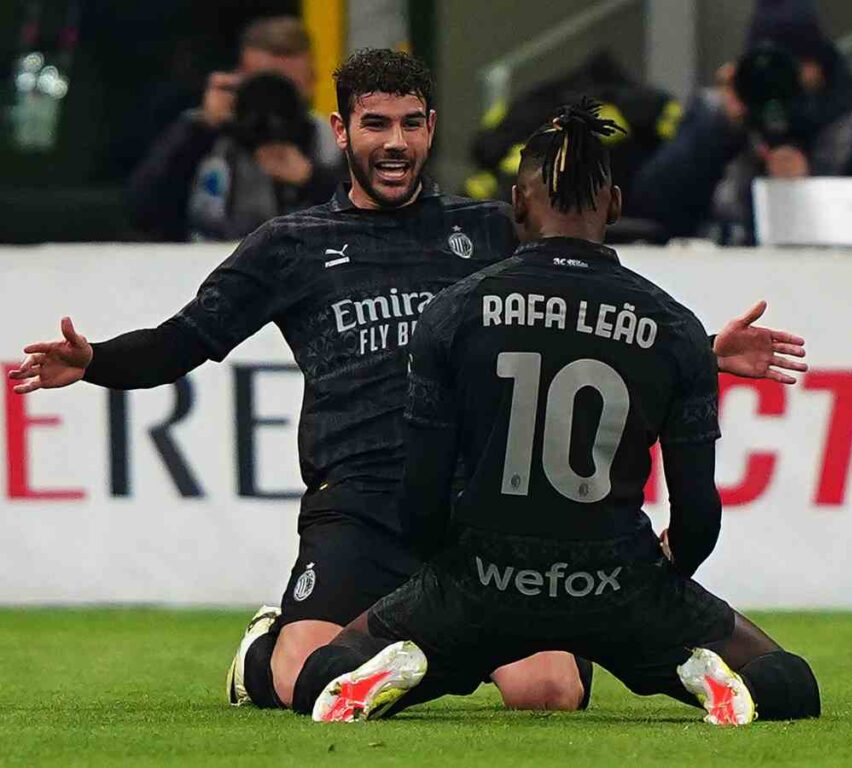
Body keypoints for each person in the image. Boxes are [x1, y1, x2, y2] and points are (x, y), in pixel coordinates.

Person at [9, 50, 806, 716]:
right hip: (359, 504)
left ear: (432, 129)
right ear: (342, 131)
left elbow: (580, 318)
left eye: (412, 124)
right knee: (299, 680)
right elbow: (185, 340)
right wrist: (96, 362)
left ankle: (423, 653)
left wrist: (700, 351)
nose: (396, 143)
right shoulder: (290, 245)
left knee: (548, 691)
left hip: (478, 513)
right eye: (376, 124)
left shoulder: (492, 231)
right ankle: (267, 645)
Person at [289, 100, 821, 726]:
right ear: (615, 205)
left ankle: (423, 660)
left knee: (320, 676)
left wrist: (449, 578)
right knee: (788, 684)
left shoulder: (455, 313)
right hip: (617, 581)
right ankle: (688, 663)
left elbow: (422, 500)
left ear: (518, 204)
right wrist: (664, 575)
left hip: (481, 579)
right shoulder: (674, 328)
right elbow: (699, 515)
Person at [632, 0, 852, 245]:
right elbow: (653, 205)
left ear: (818, 65)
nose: (779, 80)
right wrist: (718, 131)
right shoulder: (716, 114)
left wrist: (811, 190)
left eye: (793, 63)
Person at [127, 16, 342, 242]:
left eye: (284, 88)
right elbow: (141, 211)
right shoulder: (201, 132)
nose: (272, 100)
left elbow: (371, 218)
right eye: (263, 85)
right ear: (238, 78)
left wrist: (311, 179)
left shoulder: (331, 139)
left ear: (311, 83)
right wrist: (201, 129)